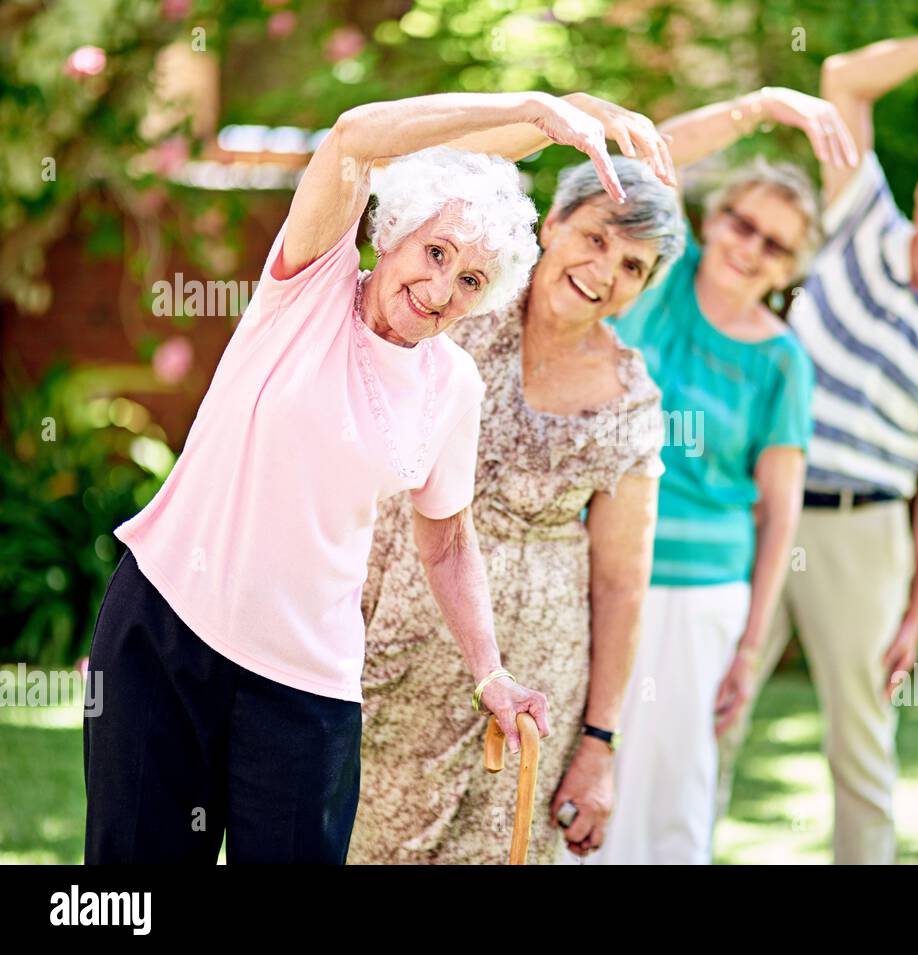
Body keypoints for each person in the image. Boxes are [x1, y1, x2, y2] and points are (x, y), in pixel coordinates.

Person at [83, 89, 629, 863]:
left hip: (306, 685)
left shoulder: (453, 387)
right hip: (165, 626)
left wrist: (491, 673)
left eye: (472, 280)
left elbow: (445, 540)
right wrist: (537, 109)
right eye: (436, 252)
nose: (441, 290)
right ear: (395, 233)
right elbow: (352, 138)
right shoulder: (305, 287)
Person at [715, 26, 918, 865]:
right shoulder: (860, 215)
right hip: (754, 502)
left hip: (862, 533)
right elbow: (842, 79)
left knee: (859, 750)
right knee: (712, 707)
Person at [349, 96, 683, 864]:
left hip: (531, 688)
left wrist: (599, 739)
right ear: (552, 225)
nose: (604, 272)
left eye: (632, 265)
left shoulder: (633, 400)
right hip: (389, 648)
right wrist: (551, 116)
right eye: (595, 237)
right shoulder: (461, 298)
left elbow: (624, 584)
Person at [585, 88, 858, 865]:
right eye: (742, 222)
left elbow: (780, 511)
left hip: (705, 590)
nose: (750, 247)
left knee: (675, 781)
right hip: (600, 568)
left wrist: (750, 642)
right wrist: (765, 107)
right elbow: (645, 158)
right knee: (588, 764)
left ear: (789, 269)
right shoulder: (661, 279)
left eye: (775, 244)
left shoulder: (782, 361)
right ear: (714, 218)